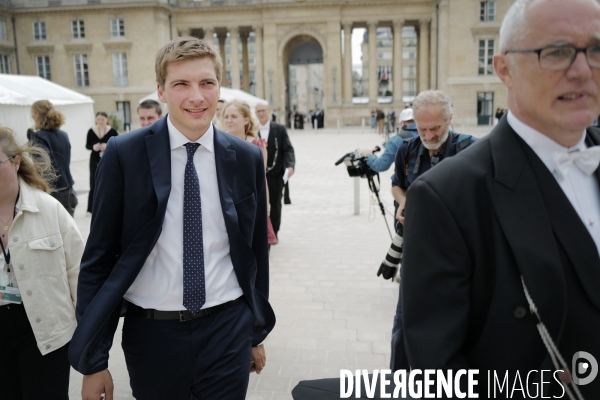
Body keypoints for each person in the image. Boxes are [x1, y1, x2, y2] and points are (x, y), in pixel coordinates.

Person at [401, 0, 600, 396]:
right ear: (504, 68)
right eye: (557, 52)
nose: (582, 70)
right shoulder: (447, 196)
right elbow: (437, 374)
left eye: (596, 50)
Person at [69, 36, 275, 400]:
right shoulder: (124, 154)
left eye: (206, 83)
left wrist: (254, 333)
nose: (196, 96)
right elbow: (98, 259)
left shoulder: (245, 158)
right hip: (153, 336)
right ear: (162, 91)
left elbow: (256, 253)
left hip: (227, 330)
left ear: (218, 88)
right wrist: (93, 360)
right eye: (181, 84)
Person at [390, 90, 475, 373]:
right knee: (405, 323)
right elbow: (397, 184)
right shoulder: (407, 148)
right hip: (416, 251)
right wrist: (405, 202)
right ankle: (399, 383)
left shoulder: (471, 150)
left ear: (450, 119)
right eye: (421, 128)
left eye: (435, 128)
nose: (428, 135)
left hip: (458, 255)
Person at [0, 127, 84, 400]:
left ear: (15, 161)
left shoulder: (49, 209)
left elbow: (79, 274)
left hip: (46, 333)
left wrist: (89, 343)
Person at [220, 99, 277, 245]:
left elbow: (262, 180)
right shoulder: (218, 143)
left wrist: (266, 207)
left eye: (234, 116)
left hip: (250, 204)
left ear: (246, 120)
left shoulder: (257, 145)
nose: (229, 120)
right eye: (226, 117)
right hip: (224, 204)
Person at [30, 100, 78, 217]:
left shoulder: (38, 137)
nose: (31, 116)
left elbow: (43, 165)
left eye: (33, 112)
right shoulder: (63, 135)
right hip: (68, 191)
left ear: (38, 114)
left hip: (52, 193)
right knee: (68, 233)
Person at [255, 102, 296, 239]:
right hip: (257, 175)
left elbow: (288, 149)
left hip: (275, 174)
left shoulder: (279, 129)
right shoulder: (252, 130)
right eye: (258, 111)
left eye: (263, 110)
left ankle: (274, 232)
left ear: (269, 111)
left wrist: (290, 166)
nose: (261, 113)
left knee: (276, 205)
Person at [85, 112, 118, 214]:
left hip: (108, 158)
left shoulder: (112, 131)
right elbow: (87, 145)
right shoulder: (91, 131)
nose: (100, 121)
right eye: (98, 119)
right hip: (95, 159)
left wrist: (107, 145)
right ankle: (91, 208)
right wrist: (93, 147)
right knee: (94, 182)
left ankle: (109, 205)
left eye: (102, 119)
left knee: (109, 181)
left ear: (107, 119)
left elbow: (118, 143)